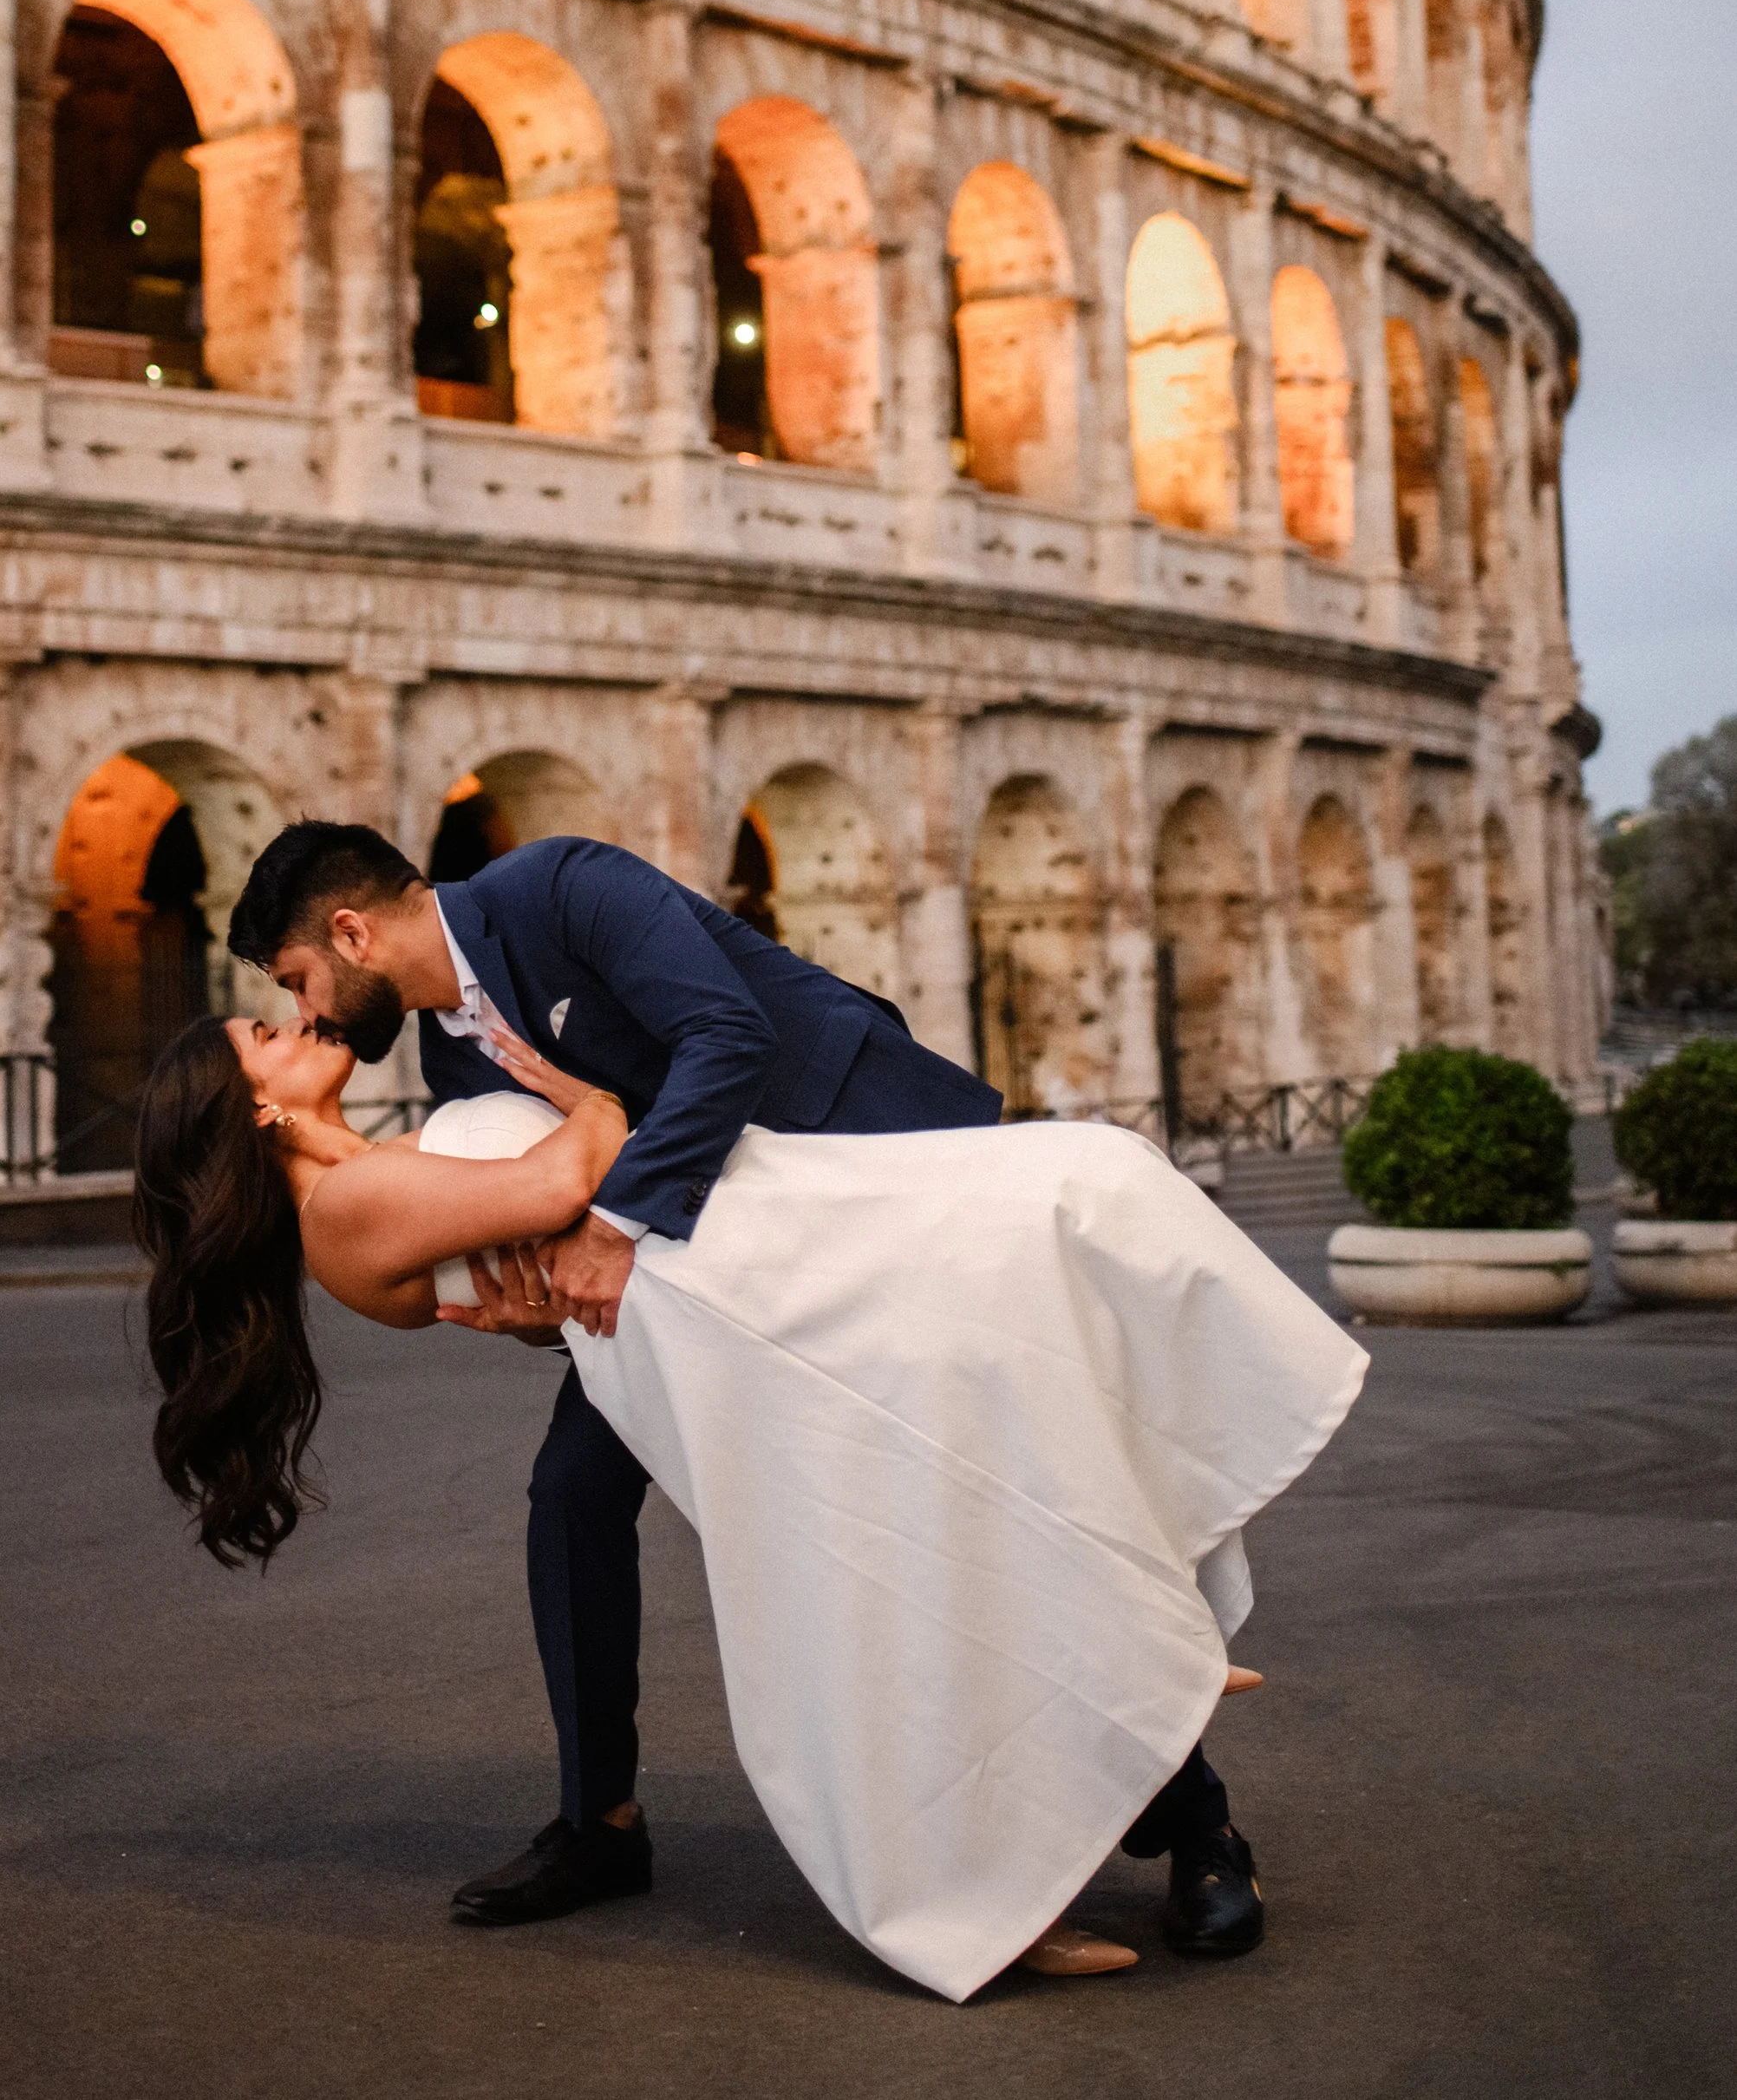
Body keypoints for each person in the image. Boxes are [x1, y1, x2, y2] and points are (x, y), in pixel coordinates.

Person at [135, 824, 1361, 1993]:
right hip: (697, 1284)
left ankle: (1195, 1817)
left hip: (834, 1157)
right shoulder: (447, 1059)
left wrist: (597, 1226)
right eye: (273, 1013)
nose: (300, 1010)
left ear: (349, 931)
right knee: (580, 1493)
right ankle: (600, 1819)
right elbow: (515, 1226)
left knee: (989, 1446)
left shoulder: (560, 888)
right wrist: (544, 1287)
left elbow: (719, 1035)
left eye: (290, 979)